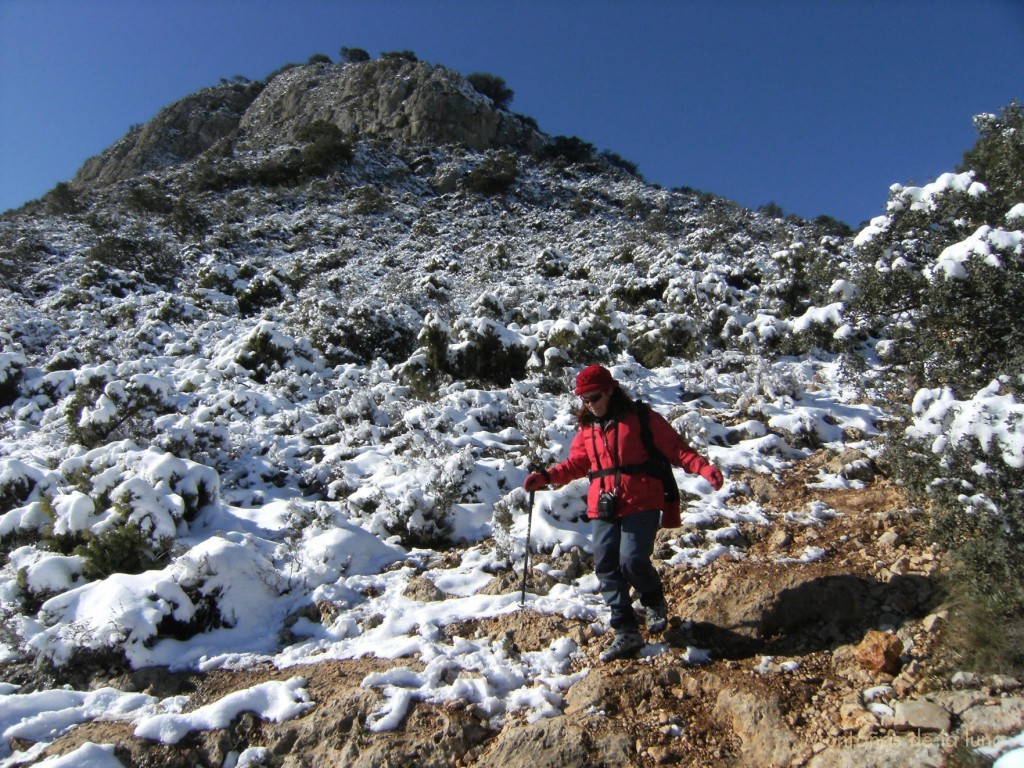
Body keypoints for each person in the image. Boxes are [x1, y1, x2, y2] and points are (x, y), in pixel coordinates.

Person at [524, 364, 724, 662]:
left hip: (642, 499)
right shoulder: (588, 429)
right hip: (604, 502)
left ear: (611, 391)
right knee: (605, 563)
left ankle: (654, 600)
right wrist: (547, 477)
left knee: (631, 560)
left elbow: (676, 449)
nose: (590, 404)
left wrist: (703, 468)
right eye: (585, 400)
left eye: (595, 397)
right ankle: (626, 630)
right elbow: (576, 464)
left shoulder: (643, 418)